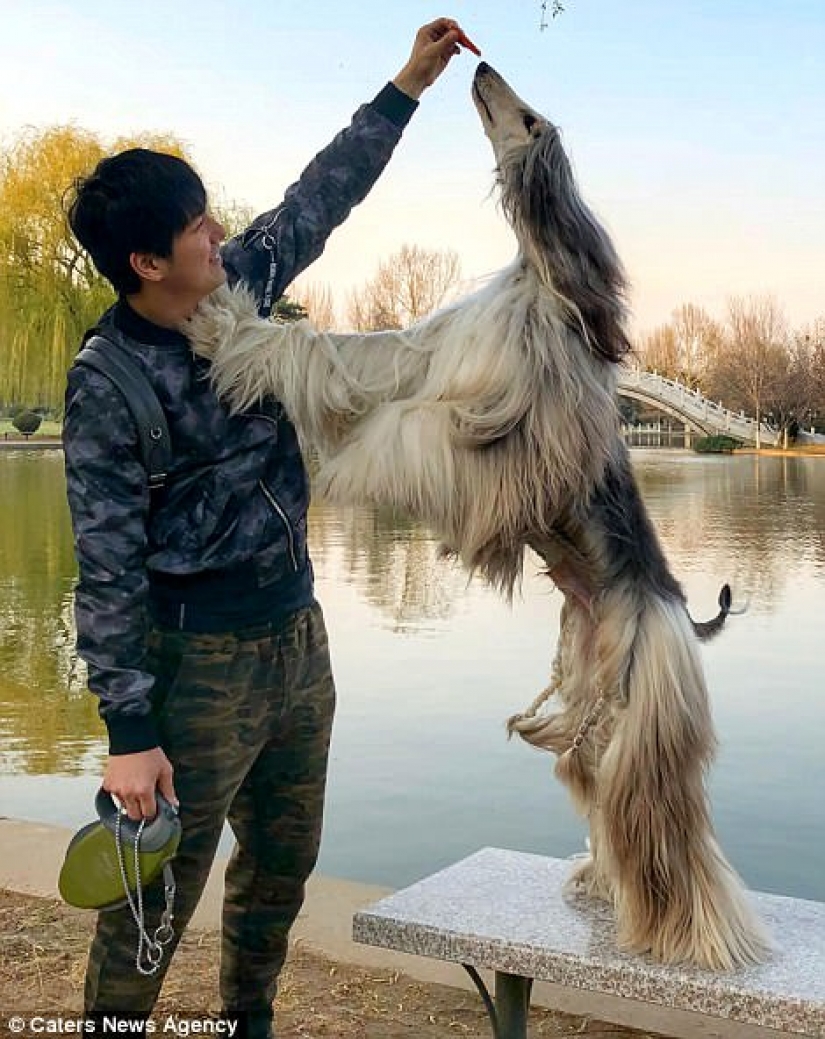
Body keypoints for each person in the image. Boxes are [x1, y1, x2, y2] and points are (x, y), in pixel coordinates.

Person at [63, 18, 470, 1033]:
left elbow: (320, 196)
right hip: (195, 665)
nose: (218, 233)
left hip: (298, 639)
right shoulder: (108, 383)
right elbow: (106, 570)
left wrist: (406, 86)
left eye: (210, 217)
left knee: (282, 870)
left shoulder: (237, 286)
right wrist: (130, 736)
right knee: (151, 895)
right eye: (195, 229)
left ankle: (249, 1019)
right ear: (147, 263)